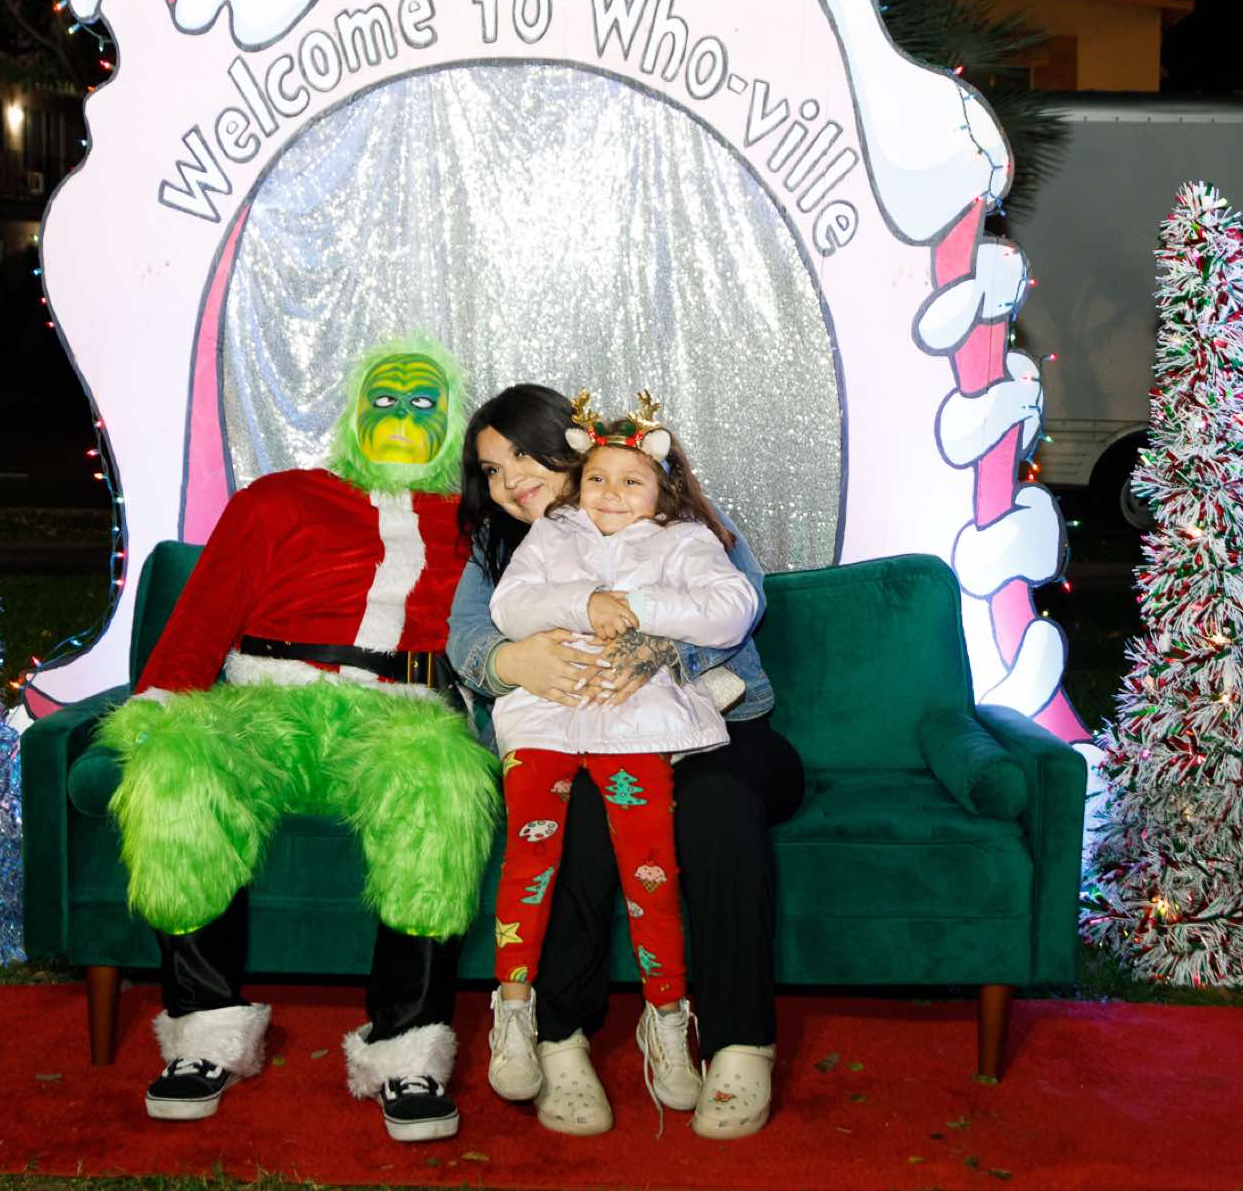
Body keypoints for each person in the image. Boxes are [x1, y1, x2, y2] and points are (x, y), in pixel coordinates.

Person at [94, 338, 500, 1143]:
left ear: (452, 422)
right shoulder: (278, 499)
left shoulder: (475, 523)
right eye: (385, 399)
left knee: (444, 779)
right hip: (263, 705)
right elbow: (208, 607)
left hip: (398, 715)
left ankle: (407, 1051)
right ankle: (204, 1034)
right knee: (179, 763)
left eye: (424, 402)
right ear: (353, 413)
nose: (402, 415)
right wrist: (162, 699)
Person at [448, 383, 806, 1140]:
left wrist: (660, 645)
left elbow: (742, 599)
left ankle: (738, 1043)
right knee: (573, 810)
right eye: (491, 469)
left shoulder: (667, 516)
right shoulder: (505, 549)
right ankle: (562, 1038)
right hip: (580, 732)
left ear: (569, 448)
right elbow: (470, 637)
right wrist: (514, 660)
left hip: (718, 726)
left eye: (523, 455)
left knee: (715, 806)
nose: (510, 480)